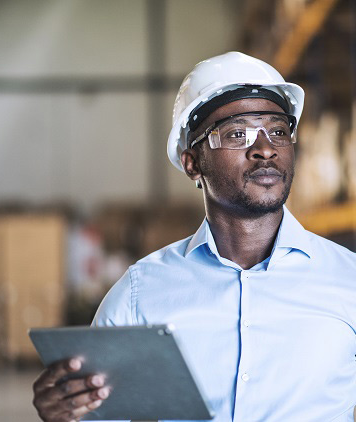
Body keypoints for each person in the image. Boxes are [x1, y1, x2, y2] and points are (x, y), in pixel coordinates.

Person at [32, 52, 356, 422]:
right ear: (193, 164)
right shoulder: (141, 296)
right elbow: (100, 414)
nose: (265, 149)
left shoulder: (348, 279)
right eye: (237, 133)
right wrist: (67, 415)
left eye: (278, 131)